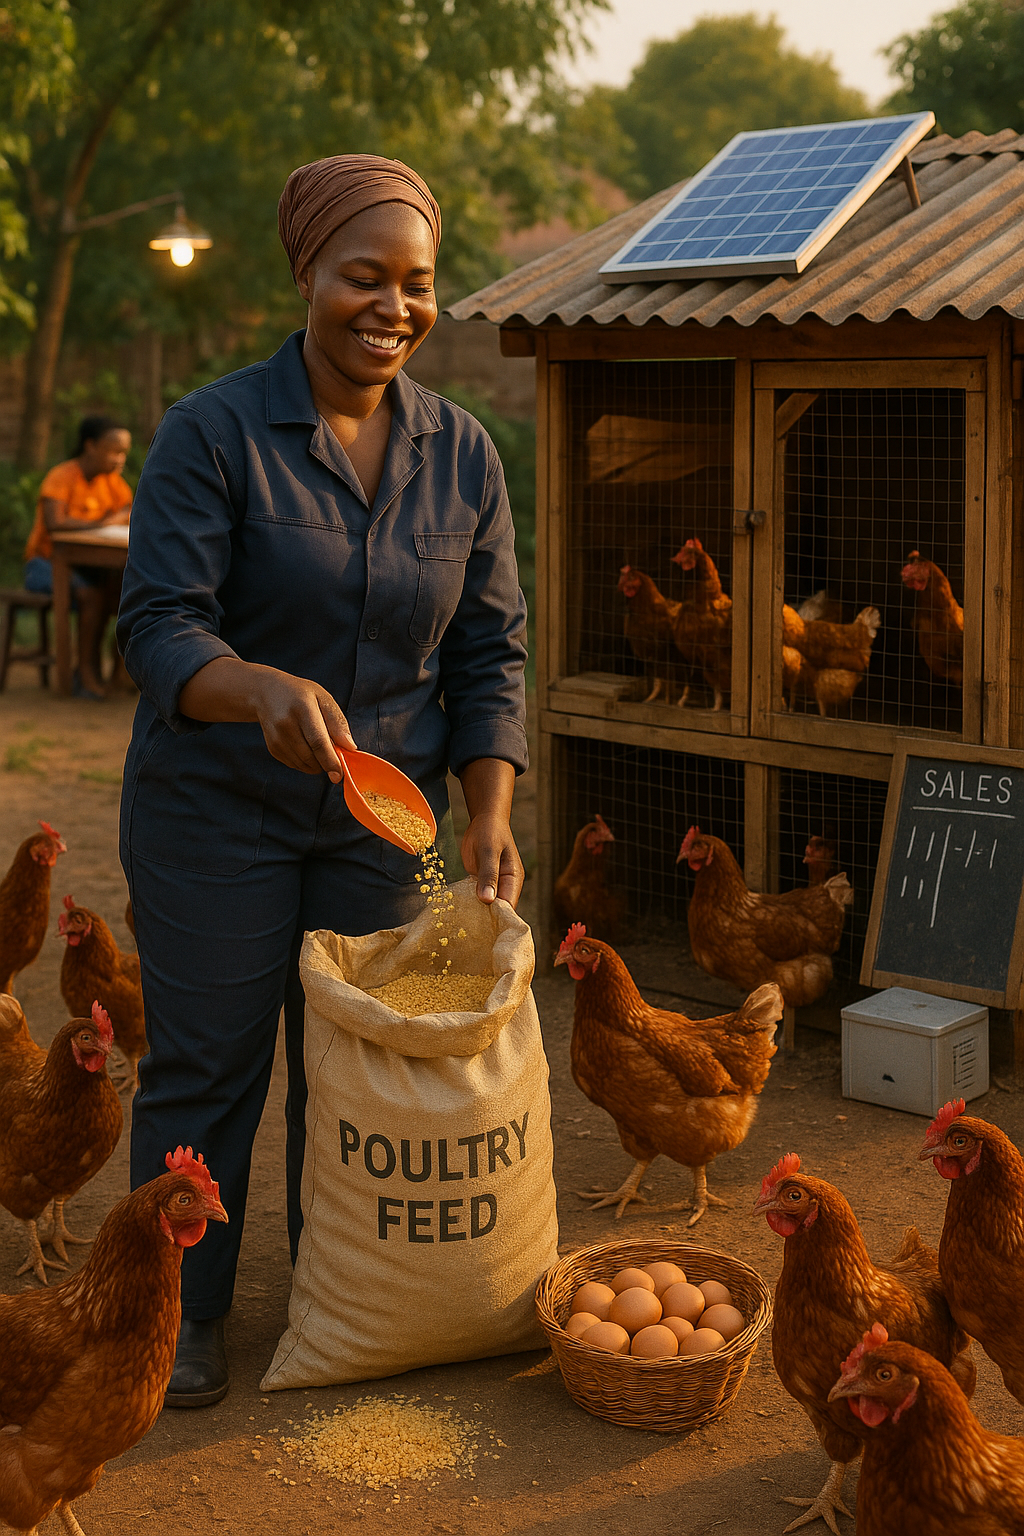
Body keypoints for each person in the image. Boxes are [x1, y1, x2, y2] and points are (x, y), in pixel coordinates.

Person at [116, 155, 528, 1408]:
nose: (392, 306)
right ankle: (178, 1313)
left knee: (358, 1068)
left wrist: (489, 808)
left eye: (416, 284)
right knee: (210, 1062)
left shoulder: (465, 456)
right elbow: (156, 626)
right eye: (364, 275)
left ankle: (348, 1291)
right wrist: (254, 688)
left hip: (377, 820)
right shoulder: (214, 433)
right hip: (214, 809)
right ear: (306, 272)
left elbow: (488, 648)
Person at [24, 414, 133, 699]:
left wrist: (117, 519)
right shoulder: (63, 476)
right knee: (90, 595)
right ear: (90, 446)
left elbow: (131, 514)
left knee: (124, 592)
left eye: (124, 453)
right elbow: (55, 522)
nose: (119, 459)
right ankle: (83, 675)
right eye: (113, 451)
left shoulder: (114, 484)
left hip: (91, 567)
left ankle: (120, 672)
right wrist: (105, 523)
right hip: (45, 563)